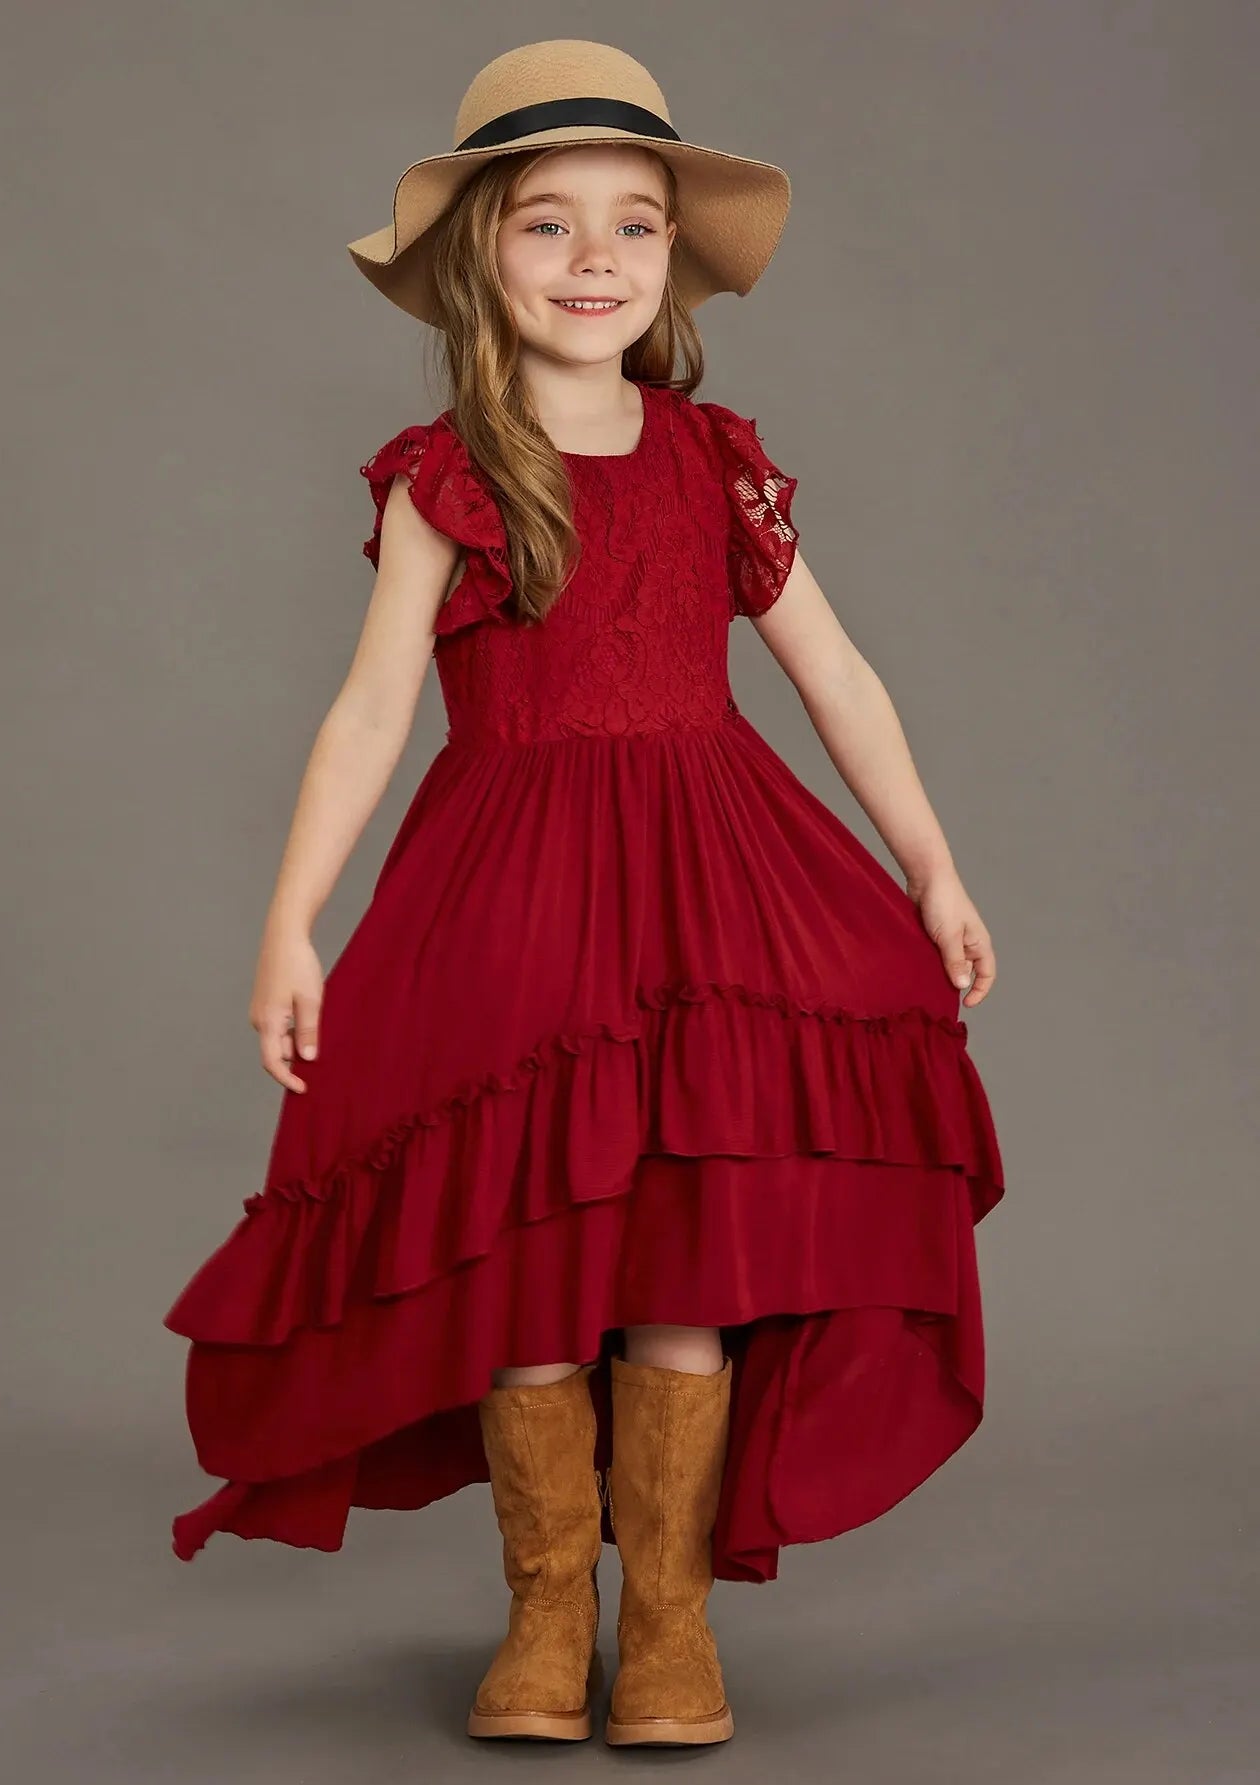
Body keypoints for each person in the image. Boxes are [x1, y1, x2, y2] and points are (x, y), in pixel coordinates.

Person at [163, 38, 1006, 1750]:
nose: (595, 256)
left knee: (683, 1249)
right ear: (485, 254)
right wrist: (288, 921)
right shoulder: (448, 473)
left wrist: (932, 865)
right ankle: (550, 1610)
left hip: (709, 887)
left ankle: (670, 1622)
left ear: (673, 257)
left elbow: (837, 673)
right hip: (513, 898)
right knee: (530, 1261)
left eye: (633, 222)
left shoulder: (714, 460)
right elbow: (371, 711)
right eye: (548, 222)